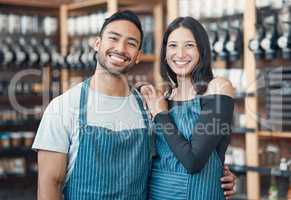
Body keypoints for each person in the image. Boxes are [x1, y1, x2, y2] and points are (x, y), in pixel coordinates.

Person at [32, 11, 235, 200]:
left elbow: (184, 158)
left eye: (131, 43)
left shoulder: (148, 107)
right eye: (113, 38)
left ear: (138, 55)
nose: (120, 48)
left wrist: (217, 170)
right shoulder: (63, 107)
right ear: (97, 44)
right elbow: (50, 183)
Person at [140, 17, 235, 200]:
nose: (180, 53)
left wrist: (161, 114)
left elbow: (193, 161)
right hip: (155, 193)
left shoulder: (217, 87)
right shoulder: (163, 96)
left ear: (202, 50)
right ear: (165, 52)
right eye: (173, 45)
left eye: (189, 45)